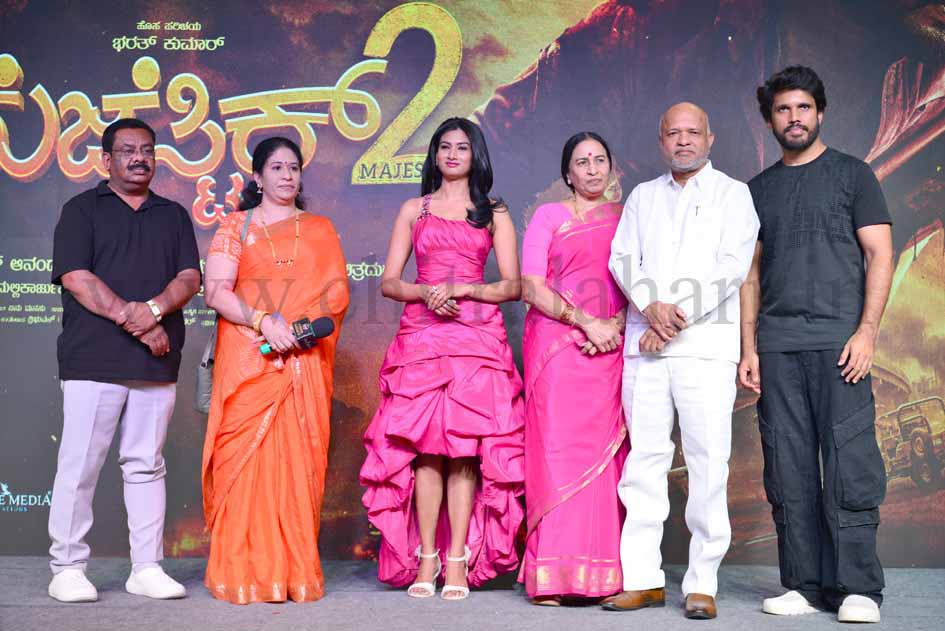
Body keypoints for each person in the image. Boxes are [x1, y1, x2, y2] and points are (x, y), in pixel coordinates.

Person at [740, 66, 894, 624]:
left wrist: (867, 331)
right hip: (778, 347)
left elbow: (880, 254)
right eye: (783, 109)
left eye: (803, 107)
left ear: (820, 112)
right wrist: (749, 347)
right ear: (770, 120)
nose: (794, 117)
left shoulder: (854, 175)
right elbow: (750, 275)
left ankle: (858, 589)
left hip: (840, 344)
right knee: (788, 469)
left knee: (851, 463)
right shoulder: (757, 190)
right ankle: (802, 585)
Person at [360, 118, 525, 601]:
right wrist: (426, 292)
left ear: (476, 155)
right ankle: (426, 556)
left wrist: (463, 289)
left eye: (462, 147)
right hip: (423, 337)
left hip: (476, 338)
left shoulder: (493, 211)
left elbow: (513, 286)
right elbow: (390, 282)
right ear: (434, 155)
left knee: (466, 450)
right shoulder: (414, 209)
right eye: (445, 147)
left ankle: (458, 559)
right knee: (426, 449)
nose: (453, 154)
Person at [604, 103, 759, 618]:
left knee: (707, 462)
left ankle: (702, 583)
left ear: (711, 139)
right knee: (644, 462)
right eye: (674, 133)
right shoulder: (642, 197)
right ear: (661, 141)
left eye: (693, 132)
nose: (684, 141)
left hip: (705, 348)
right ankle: (642, 579)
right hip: (645, 348)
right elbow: (622, 258)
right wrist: (651, 307)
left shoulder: (734, 195)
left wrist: (672, 318)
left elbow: (732, 268)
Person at [48, 117, 200, 602]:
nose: (139, 158)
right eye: (128, 150)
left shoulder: (173, 215)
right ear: (106, 160)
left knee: (146, 465)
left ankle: (146, 567)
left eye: (147, 150)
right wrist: (137, 321)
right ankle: (68, 568)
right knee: (80, 465)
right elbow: (76, 277)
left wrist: (153, 311)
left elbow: (189, 278)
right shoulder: (81, 209)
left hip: (156, 363)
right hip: (93, 360)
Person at [202, 137, 349, 604]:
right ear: (257, 176)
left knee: (297, 464)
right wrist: (265, 322)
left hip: (303, 358)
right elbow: (216, 291)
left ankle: (292, 573)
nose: (287, 175)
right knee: (243, 464)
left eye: (294, 168)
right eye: (277, 167)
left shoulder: (320, 229)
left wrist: (298, 330)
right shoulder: (235, 226)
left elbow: (336, 296)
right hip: (249, 355)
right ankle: (241, 573)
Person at [518, 132, 628, 605]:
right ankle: (552, 576)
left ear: (611, 167)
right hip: (558, 350)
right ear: (568, 173)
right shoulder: (549, 216)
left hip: (611, 347)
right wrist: (586, 322)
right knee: (557, 454)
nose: (592, 169)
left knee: (605, 460)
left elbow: (643, 278)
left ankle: (600, 574)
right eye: (582, 162)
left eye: (600, 160)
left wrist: (615, 325)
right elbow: (530, 285)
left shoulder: (627, 217)